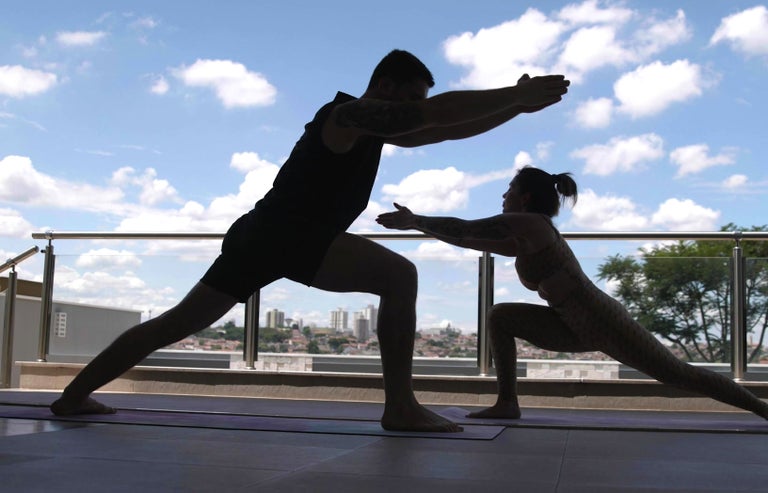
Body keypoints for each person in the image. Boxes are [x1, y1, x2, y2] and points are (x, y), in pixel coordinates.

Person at [50, 50, 571, 432]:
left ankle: (74, 396)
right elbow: (429, 118)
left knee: (176, 323)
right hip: (288, 234)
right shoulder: (345, 115)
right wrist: (514, 95)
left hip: (266, 236)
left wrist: (516, 108)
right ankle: (400, 407)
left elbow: (439, 129)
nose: (416, 108)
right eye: (410, 97)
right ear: (385, 87)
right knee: (400, 275)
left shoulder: (374, 131)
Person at [376, 166, 768, 420]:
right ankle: (507, 402)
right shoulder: (523, 236)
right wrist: (419, 226)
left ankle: (761, 409)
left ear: (524, 198)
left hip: (601, 319)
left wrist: (416, 220)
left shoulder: (531, 224)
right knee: (501, 316)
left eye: (508, 190)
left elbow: (466, 227)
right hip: (570, 324)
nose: (503, 197)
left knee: (677, 374)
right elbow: (467, 239)